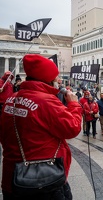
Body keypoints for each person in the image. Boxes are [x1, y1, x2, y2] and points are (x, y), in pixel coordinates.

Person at [0, 54, 81, 198]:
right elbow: (72, 128)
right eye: (55, 76)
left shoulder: (11, 99)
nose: (58, 80)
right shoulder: (46, 101)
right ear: (47, 79)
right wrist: (74, 104)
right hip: (42, 181)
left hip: (11, 179)